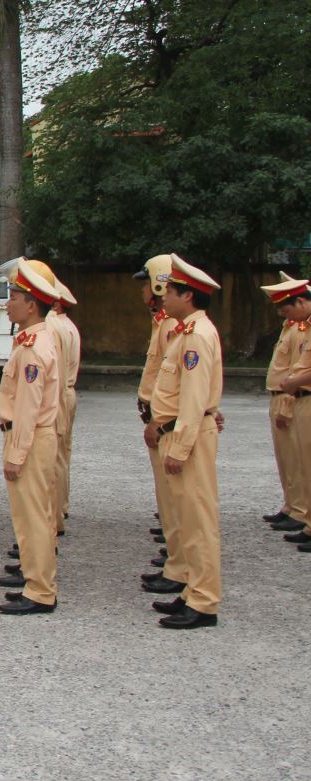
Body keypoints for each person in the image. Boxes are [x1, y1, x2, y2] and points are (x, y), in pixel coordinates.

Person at [146, 255, 224, 629]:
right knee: (186, 519)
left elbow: (193, 400)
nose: (163, 296)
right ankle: (193, 590)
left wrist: (178, 446)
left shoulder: (196, 337)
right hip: (178, 432)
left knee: (197, 521)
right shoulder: (185, 333)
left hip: (186, 437)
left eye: (170, 291)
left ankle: (205, 601)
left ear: (188, 295)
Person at [0, 260, 61, 615]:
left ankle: (40, 591)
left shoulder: (34, 347)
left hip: (31, 439)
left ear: (32, 304)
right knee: (34, 516)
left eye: (14, 297)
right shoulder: (31, 341)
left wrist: (16, 454)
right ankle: (38, 584)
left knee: (33, 518)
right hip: (34, 437)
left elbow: (29, 408)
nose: (8, 303)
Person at [135, 255, 190, 596]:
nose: (143, 290)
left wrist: (161, 420)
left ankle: (180, 567)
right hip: (159, 418)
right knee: (167, 498)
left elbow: (178, 382)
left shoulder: (171, 326)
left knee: (174, 499)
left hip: (167, 422)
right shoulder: (163, 323)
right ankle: (175, 560)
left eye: (147, 284)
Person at [261, 275, 311, 536]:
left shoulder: (303, 328)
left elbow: (297, 368)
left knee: (302, 462)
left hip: (296, 396)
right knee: (290, 460)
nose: (283, 313)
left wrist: (288, 399)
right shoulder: (294, 325)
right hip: (288, 394)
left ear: (301, 301)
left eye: (286, 307)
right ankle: (294, 507)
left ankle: (301, 511)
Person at [49, 283, 83, 535]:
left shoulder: (51, 325)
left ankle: (52, 519)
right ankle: (60, 508)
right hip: (68, 392)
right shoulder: (68, 325)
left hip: (58, 394)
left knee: (52, 460)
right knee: (62, 457)